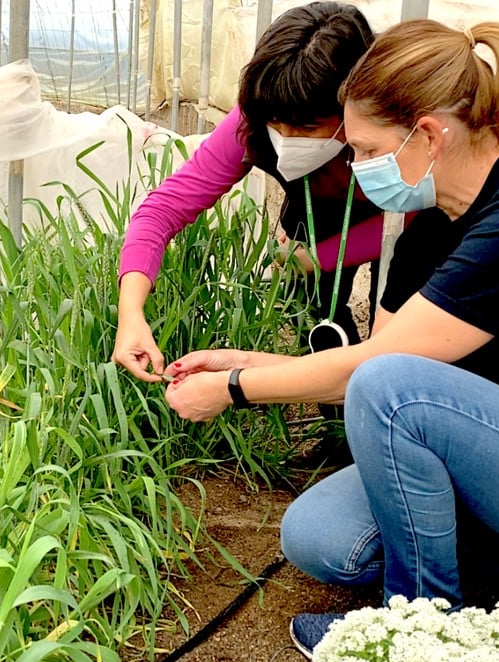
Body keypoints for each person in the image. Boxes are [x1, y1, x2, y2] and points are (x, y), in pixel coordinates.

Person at [161, 19, 499, 661]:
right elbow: (362, 370)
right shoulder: (434, 222)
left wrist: (232, 389)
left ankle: (418, 628)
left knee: (393, 386)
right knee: (318, 537)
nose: (354, 167)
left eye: (363, 148)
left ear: (429, 134)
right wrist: (244, 361)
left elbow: (381, 373)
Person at [113, 2, 387, 383]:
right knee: (311, 311)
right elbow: (163, 209)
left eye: (307, 128)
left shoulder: (393, 132)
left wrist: (320, 258)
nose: (288, 140)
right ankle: (337, 421)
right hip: (314, 213)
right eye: (278, 124)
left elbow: (417, 216)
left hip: (394, 226)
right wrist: (130, 313)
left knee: (393, 327)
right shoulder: (253, 120)